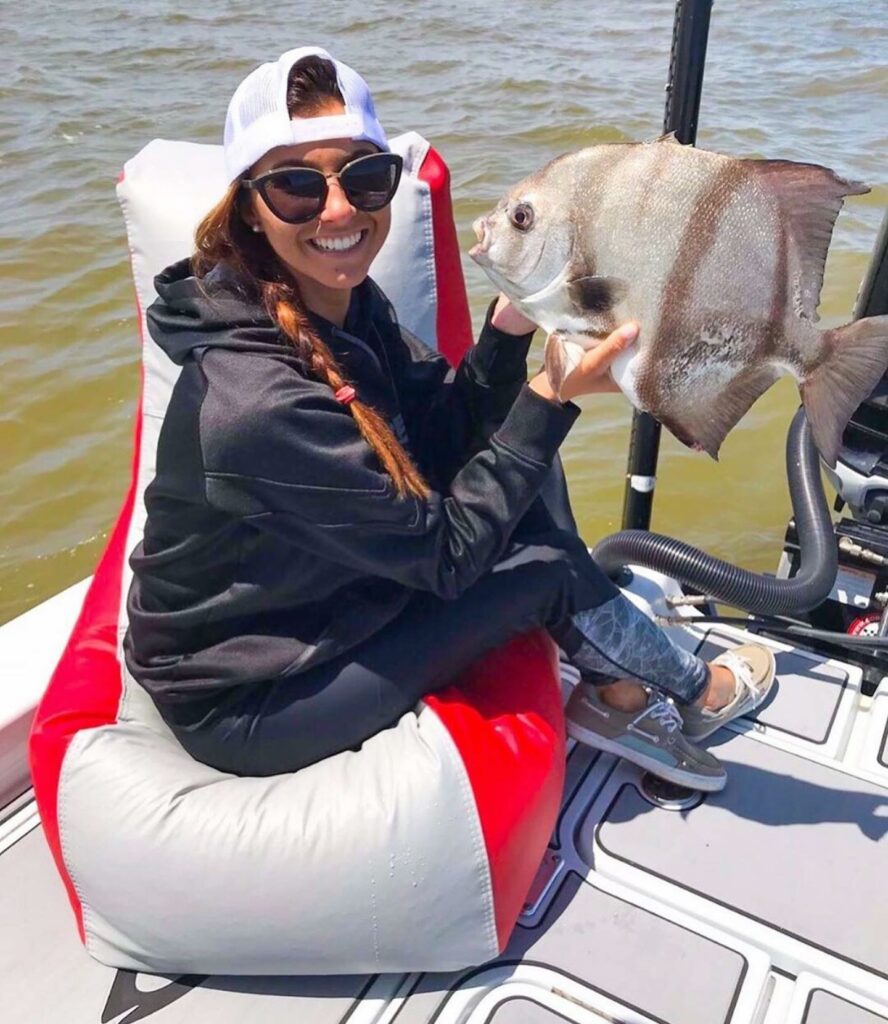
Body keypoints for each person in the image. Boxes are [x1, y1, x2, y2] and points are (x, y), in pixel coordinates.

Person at [124, 46, 776, 793]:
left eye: (364, 177)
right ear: (249, 206)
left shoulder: (338, 303)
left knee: (527, 481)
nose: (339, 211)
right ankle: (685, 692)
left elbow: (442, 430)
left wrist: (510, 326)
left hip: (317, 593)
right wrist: (551, 397)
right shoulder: (255, 402)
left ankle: (619, 678)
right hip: (252, 692)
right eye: (296, 186)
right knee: (543, 568)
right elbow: (445, 559)